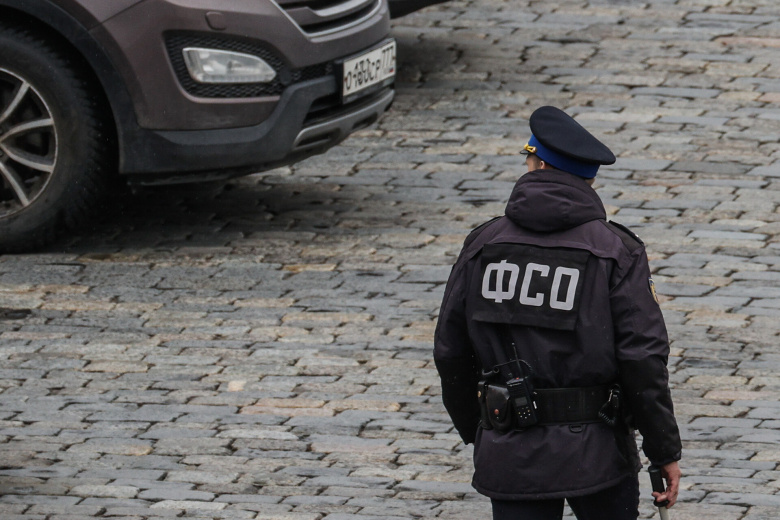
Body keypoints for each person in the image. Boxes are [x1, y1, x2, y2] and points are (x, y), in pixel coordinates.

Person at [433, 106, 682, 520]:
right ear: (589, 178)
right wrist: (663, 451)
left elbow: (450, 351)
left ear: (539, 165)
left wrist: (480, 430)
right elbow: (642, 359)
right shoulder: (615, 251)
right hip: (599, 454)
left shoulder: (483, 244)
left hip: (510, 446)